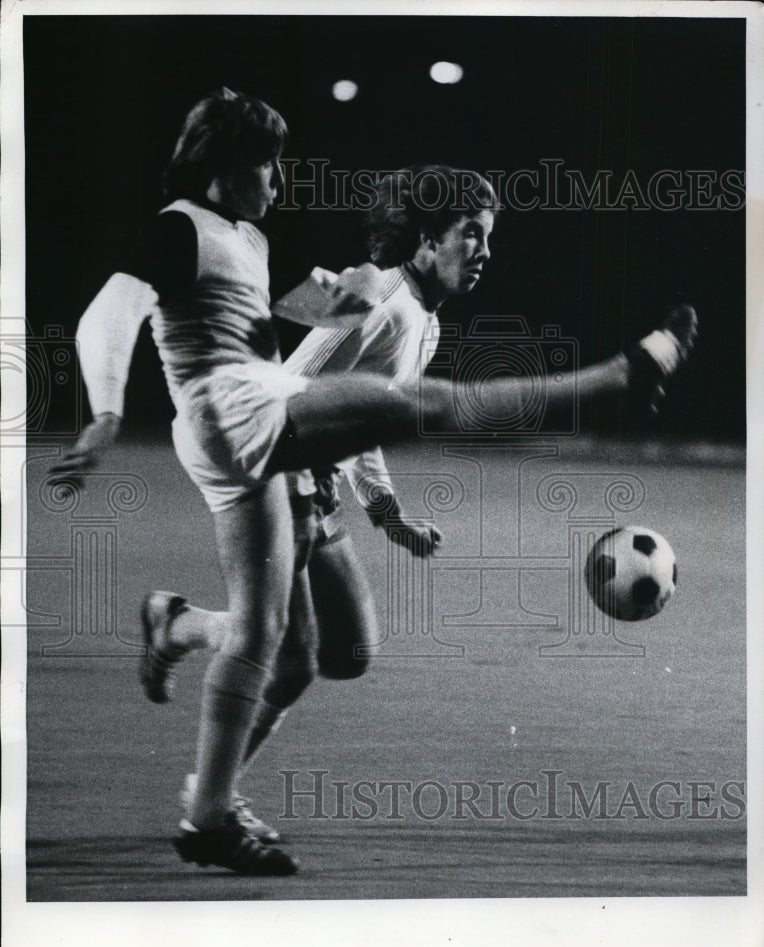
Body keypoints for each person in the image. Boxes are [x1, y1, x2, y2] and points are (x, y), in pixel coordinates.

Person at [51, 87, 698, 877]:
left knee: (311, 648)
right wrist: (107, 414)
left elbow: (263, 344)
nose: (281, 182)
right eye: (268, 165)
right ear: (224, 167)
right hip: (247, 427)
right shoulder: (183, 227)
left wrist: (327, 307)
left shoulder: (249, 242)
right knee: (434, 409)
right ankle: (615, 380)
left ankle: (181, 643)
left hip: (260, 432)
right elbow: (114, 314)